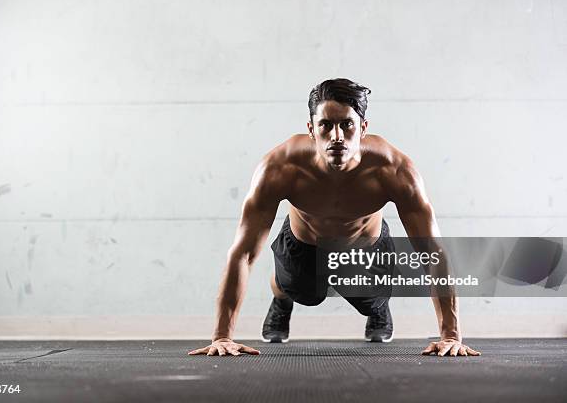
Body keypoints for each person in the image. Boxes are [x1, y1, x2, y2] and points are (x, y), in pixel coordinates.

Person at [189, 78, 481, 357]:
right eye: (326, 125)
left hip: (365, 249)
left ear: (363, 128)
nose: (337, 136)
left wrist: (451, 336)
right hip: (304, 247)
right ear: (311, 129)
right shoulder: (281, 168)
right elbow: (242, 253)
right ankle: (281, 298)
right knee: (301, 291)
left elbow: (433, 252)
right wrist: (222, 337)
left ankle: (378, 308)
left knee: (371, 301)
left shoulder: (394, 170)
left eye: (347, 125)